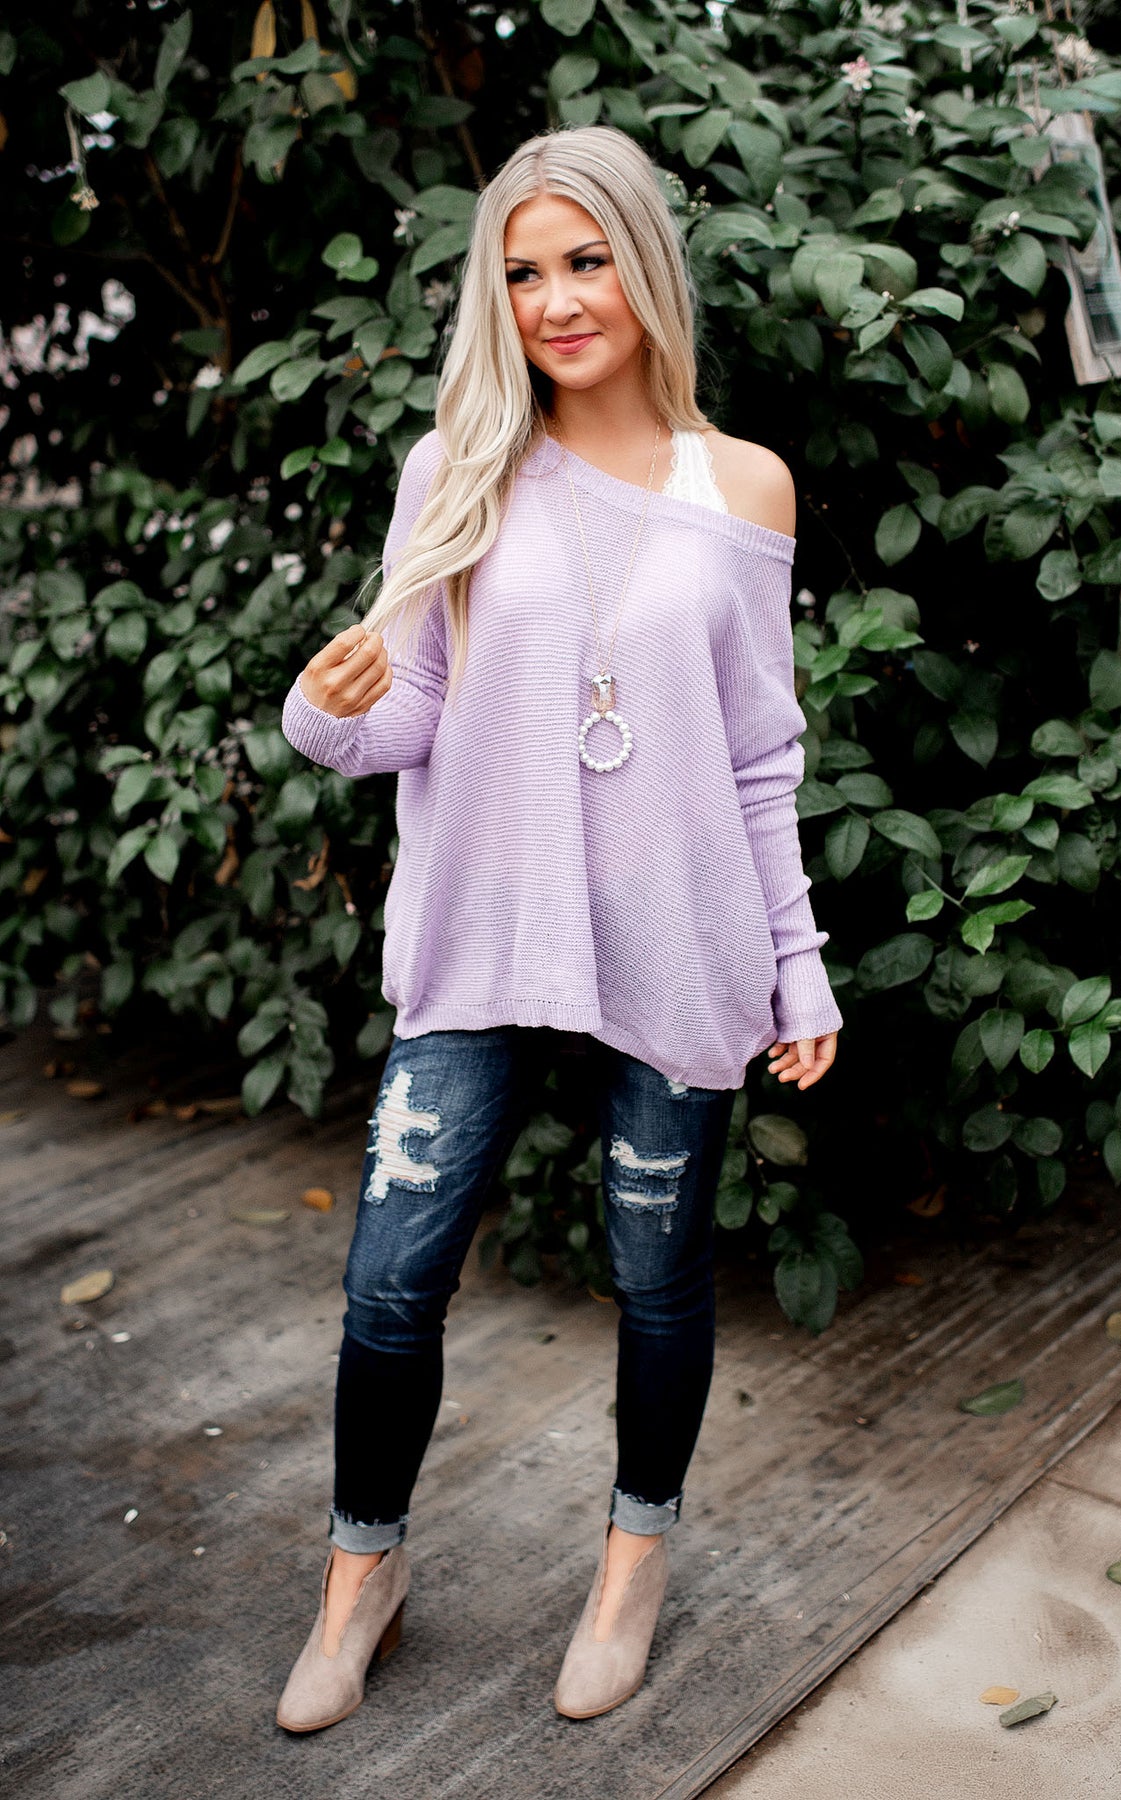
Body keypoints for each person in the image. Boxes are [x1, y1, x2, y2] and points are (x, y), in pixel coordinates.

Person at [273, 122, 842, 1735]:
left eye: (584, 260)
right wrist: (322, 712)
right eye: (521, 274)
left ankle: (629, 1568)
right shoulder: (453, 468)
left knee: (657, 1278)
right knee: (391, 1282)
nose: (555, 301)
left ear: (642, 262)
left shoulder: (742, 486)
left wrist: (797, 965)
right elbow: (409, 719)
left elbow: (758, 753)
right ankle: (360, 1578)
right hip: (482, 941)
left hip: (676, 947)